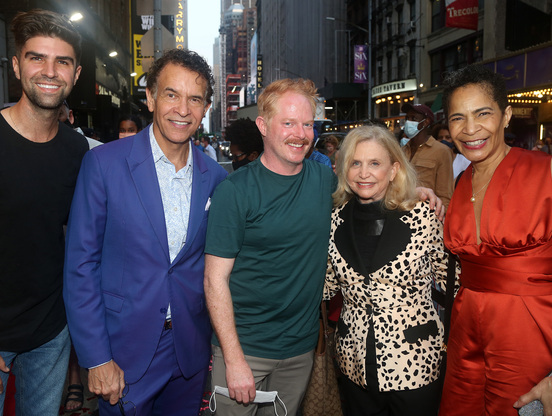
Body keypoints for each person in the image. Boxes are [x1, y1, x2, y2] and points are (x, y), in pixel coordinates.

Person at [63, 48, 227, 416]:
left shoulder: (216, 178)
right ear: (151, 98)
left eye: (195, 99)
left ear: (206, 107)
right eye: (171, 94)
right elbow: (80, 266)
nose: (182, 109)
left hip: (188, 351)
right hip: (123, 352)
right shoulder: (103, 164)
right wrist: (96, 357)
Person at [0, 8, 87, 415]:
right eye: (36, 58)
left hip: (50, 335)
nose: (50, 71)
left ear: (76, 74)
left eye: (62, 61)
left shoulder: (76, 150)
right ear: (16, 65)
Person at [204, 78, 335, 416]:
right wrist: (233, 360)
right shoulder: (234, 192)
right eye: (288, 123)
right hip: (244, 349)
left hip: (300, 351)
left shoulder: (324, 181)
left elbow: (373, 188)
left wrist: (419, 194)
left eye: (307, 124)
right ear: (263, 126)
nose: (301, 133)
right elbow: (214, 280)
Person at [438, 64, 552, 416]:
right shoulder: (462, 182)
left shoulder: (545, 173)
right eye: (458, 118)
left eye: (482, 113)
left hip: (531, 333)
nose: (470, 129)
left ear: (506, 116)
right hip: (466, 333)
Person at [324, 125, 454, 416]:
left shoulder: (423, 216)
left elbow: (452, 286)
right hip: (354, 364)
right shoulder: (334, 221)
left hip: (416, 364)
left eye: (374, 163)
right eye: (355, 163)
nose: (363, 173)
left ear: (394, 170)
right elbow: (327, 285)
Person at [401, 103, 454, 206]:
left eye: (413, 118)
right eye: (407, 118)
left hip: (426, 214)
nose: (408, 122)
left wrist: (439, 218)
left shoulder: (441, 151)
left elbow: (445, 194)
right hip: (400, 211)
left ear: (426, 122)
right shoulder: (402, 150)